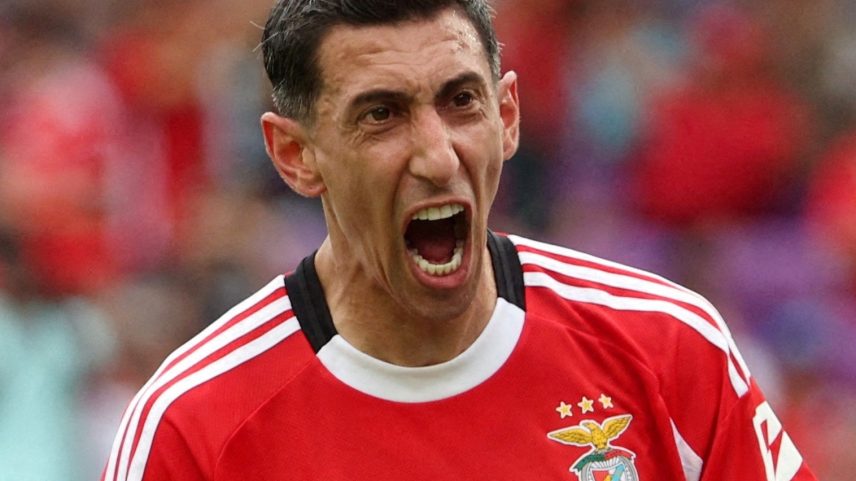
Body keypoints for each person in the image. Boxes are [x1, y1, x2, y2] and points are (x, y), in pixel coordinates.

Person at [101, 1, 817, 480]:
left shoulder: (666, 349)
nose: (439, 155)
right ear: (295, 155)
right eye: (381, 115)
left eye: (461, 100)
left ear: (507, 114)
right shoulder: (193, 429)